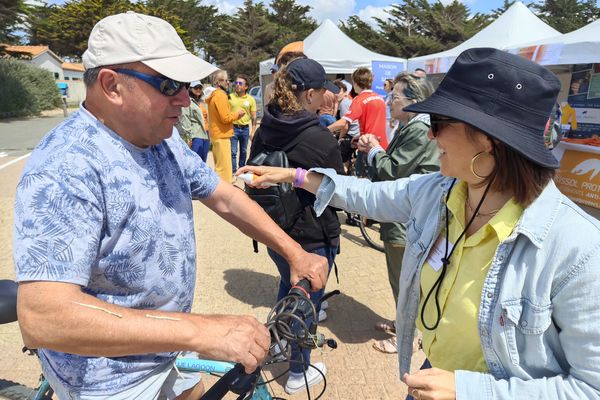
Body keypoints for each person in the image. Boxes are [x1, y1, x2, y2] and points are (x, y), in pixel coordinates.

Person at [238, 48, 600, 399]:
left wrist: (470, 391)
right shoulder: (441, 192)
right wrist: (293, 175)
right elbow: (364, 194)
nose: (431, 134)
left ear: (489, 140)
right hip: (433, 375)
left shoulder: (577, 247)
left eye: (440, 123)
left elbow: (590, 387)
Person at [13, 12, 329, 400]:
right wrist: (201, 330)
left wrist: (294, 251)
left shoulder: (161, 137)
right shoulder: (66, 165)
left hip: (168, 348)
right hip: (107, 379)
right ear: (112, 85)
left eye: (186, 84)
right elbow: (43, 316)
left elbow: (224, 197)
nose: (185, 98)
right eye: (168, 85)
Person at [246, 57, 344, 395]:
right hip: (312, 236)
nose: (327, 97)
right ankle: (299, 370)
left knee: (288, 288)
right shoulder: (318, 138)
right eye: (323, 92)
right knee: (307, 303)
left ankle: (278, 344)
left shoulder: (266, 126)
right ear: (310, 95)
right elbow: (340, 189)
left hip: (275, 230)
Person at [358, 72, 439, 355]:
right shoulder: (415, 126)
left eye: (395, 97)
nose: (389, 101)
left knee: (405, 280)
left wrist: (373, 150)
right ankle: (402, 323)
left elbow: (392, 169)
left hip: (407, 219)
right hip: (408, 214)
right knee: (403, 278)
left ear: (414, 101)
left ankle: (407, 336)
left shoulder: (418, 129)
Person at [328, 67, 388, 176]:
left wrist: (324, 129)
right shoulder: (379, 98)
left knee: (364, 181)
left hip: (368, 147)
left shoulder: (359, 99)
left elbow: (343, 123)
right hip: (382, 146)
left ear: (355, 82)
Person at [206, 69, 245, 182]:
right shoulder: (220, 95)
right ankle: (225, 193)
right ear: (219, 82)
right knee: (225, 170)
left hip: (216, 134)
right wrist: (238, 114)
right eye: (226, 80)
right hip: (222, 135)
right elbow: (225, 118)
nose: (228, 83)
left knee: (220, 167)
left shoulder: (214, 95)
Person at [229, 74, 257, 173]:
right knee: (233, 152)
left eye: (240, 83)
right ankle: (233, 171)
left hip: (245, 128)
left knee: (244, 151)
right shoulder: (230, 97)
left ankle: (241, 170)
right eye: (236, 83)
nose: (237, 85)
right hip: (233, 128)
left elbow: (254, 116)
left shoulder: (251, 99)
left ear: (246, 87)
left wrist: (253, 131)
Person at [178, 81, 210, 162]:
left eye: (200, 87)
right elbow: (185, 119)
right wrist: (188, 138)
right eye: (196, 87)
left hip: (206, 134)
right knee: (196, 161)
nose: (198, 89)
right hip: (196, 135)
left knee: (204, 161)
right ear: (190, 89)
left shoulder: (203, 102)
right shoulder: (188, 101)